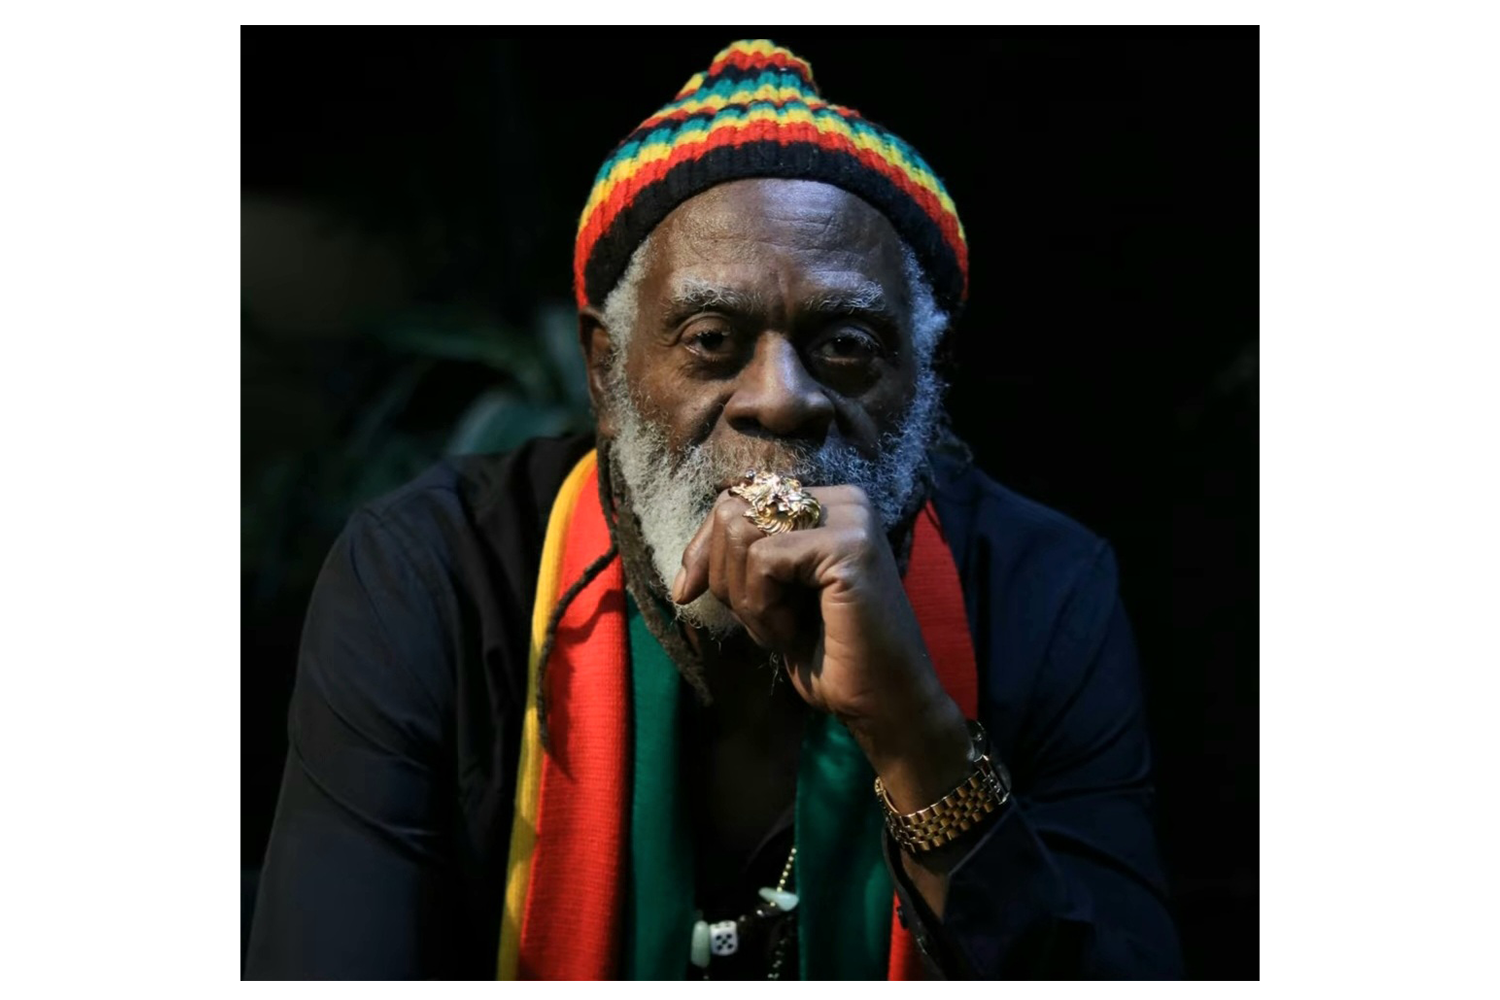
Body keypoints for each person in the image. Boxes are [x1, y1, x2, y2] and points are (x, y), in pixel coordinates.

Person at [245, 38, 1182, 980]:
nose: (780, 399)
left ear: (928, 381)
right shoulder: (437, 578)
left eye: (845, 343)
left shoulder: (1040, 595)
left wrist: (917, 737)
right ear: (606, 375)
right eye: (710, 339)